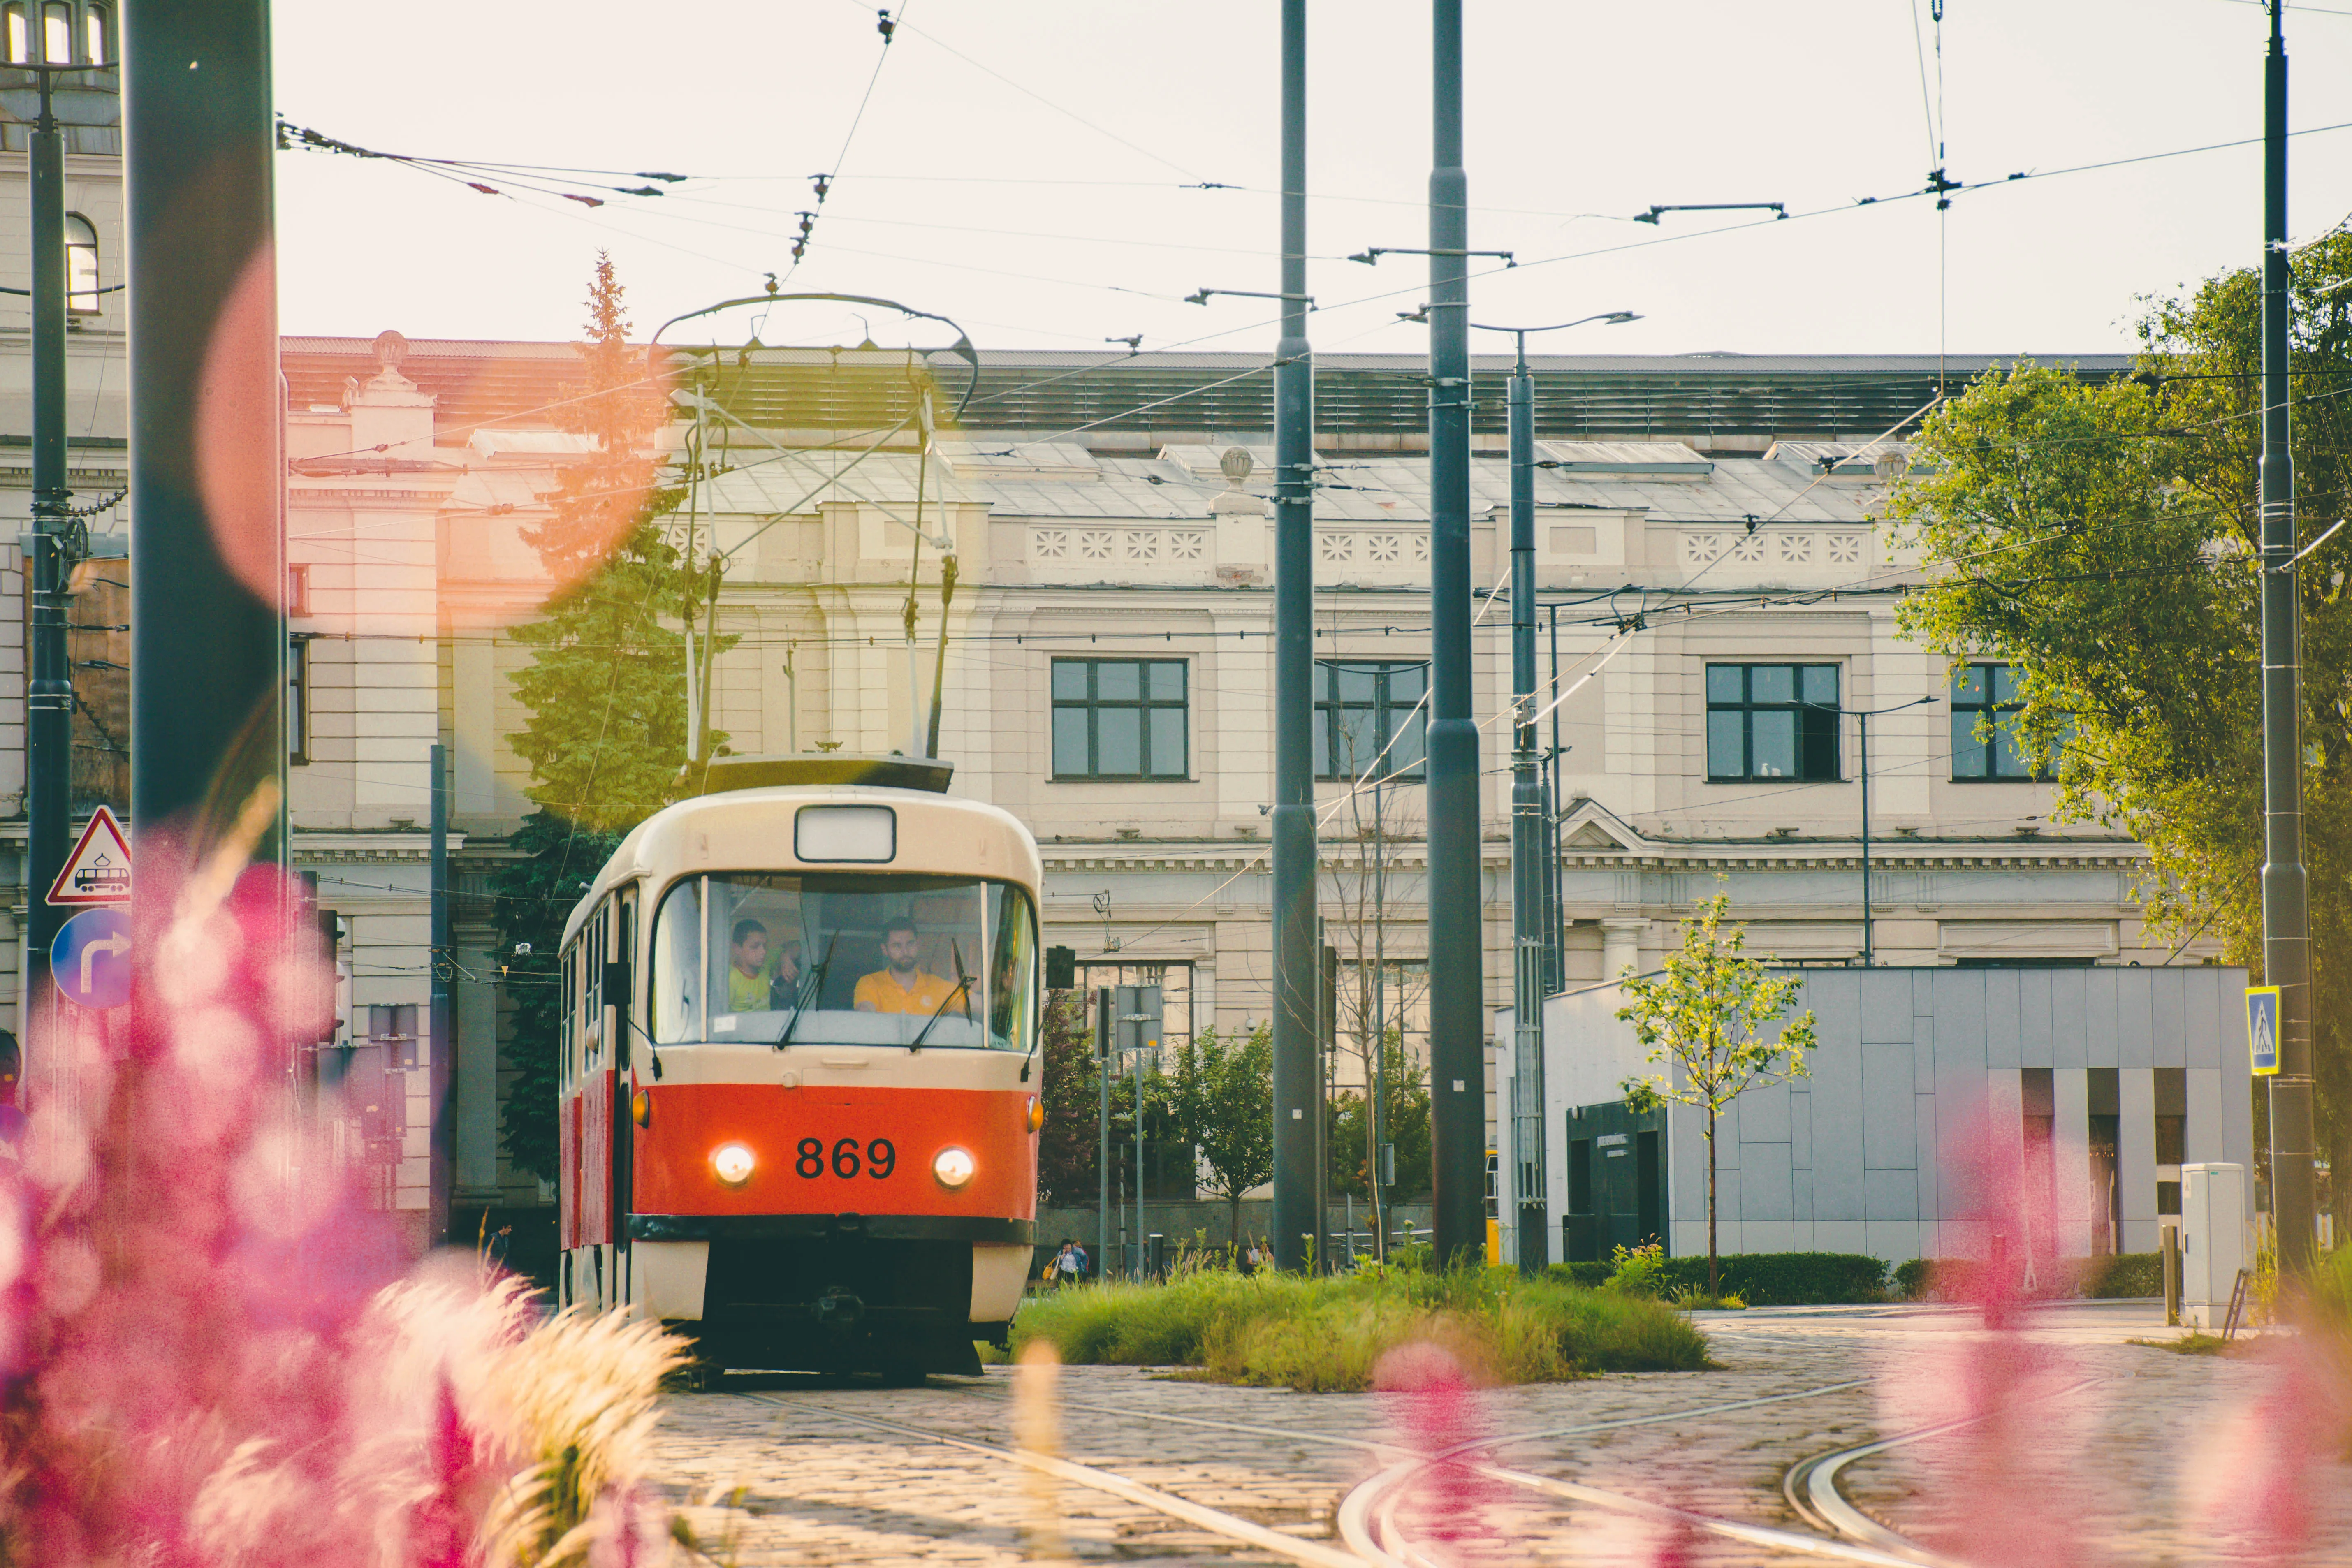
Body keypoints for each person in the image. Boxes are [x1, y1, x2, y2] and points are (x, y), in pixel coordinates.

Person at [852, 917, 963, 1016]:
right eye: (897, 946)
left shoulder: (937, 985)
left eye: (910, 944)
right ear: (885, 950)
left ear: (917, 944)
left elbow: (976, 1004)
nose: (905, 952)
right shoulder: (871, 983)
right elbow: (865, 1015)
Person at [726, 918, 774, 1012]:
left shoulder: (766, 967)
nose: (763, 952)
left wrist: (786, 957)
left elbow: (796, 948)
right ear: (737, 949)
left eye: (765, 946)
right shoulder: (730, 978)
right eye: (755, 947)